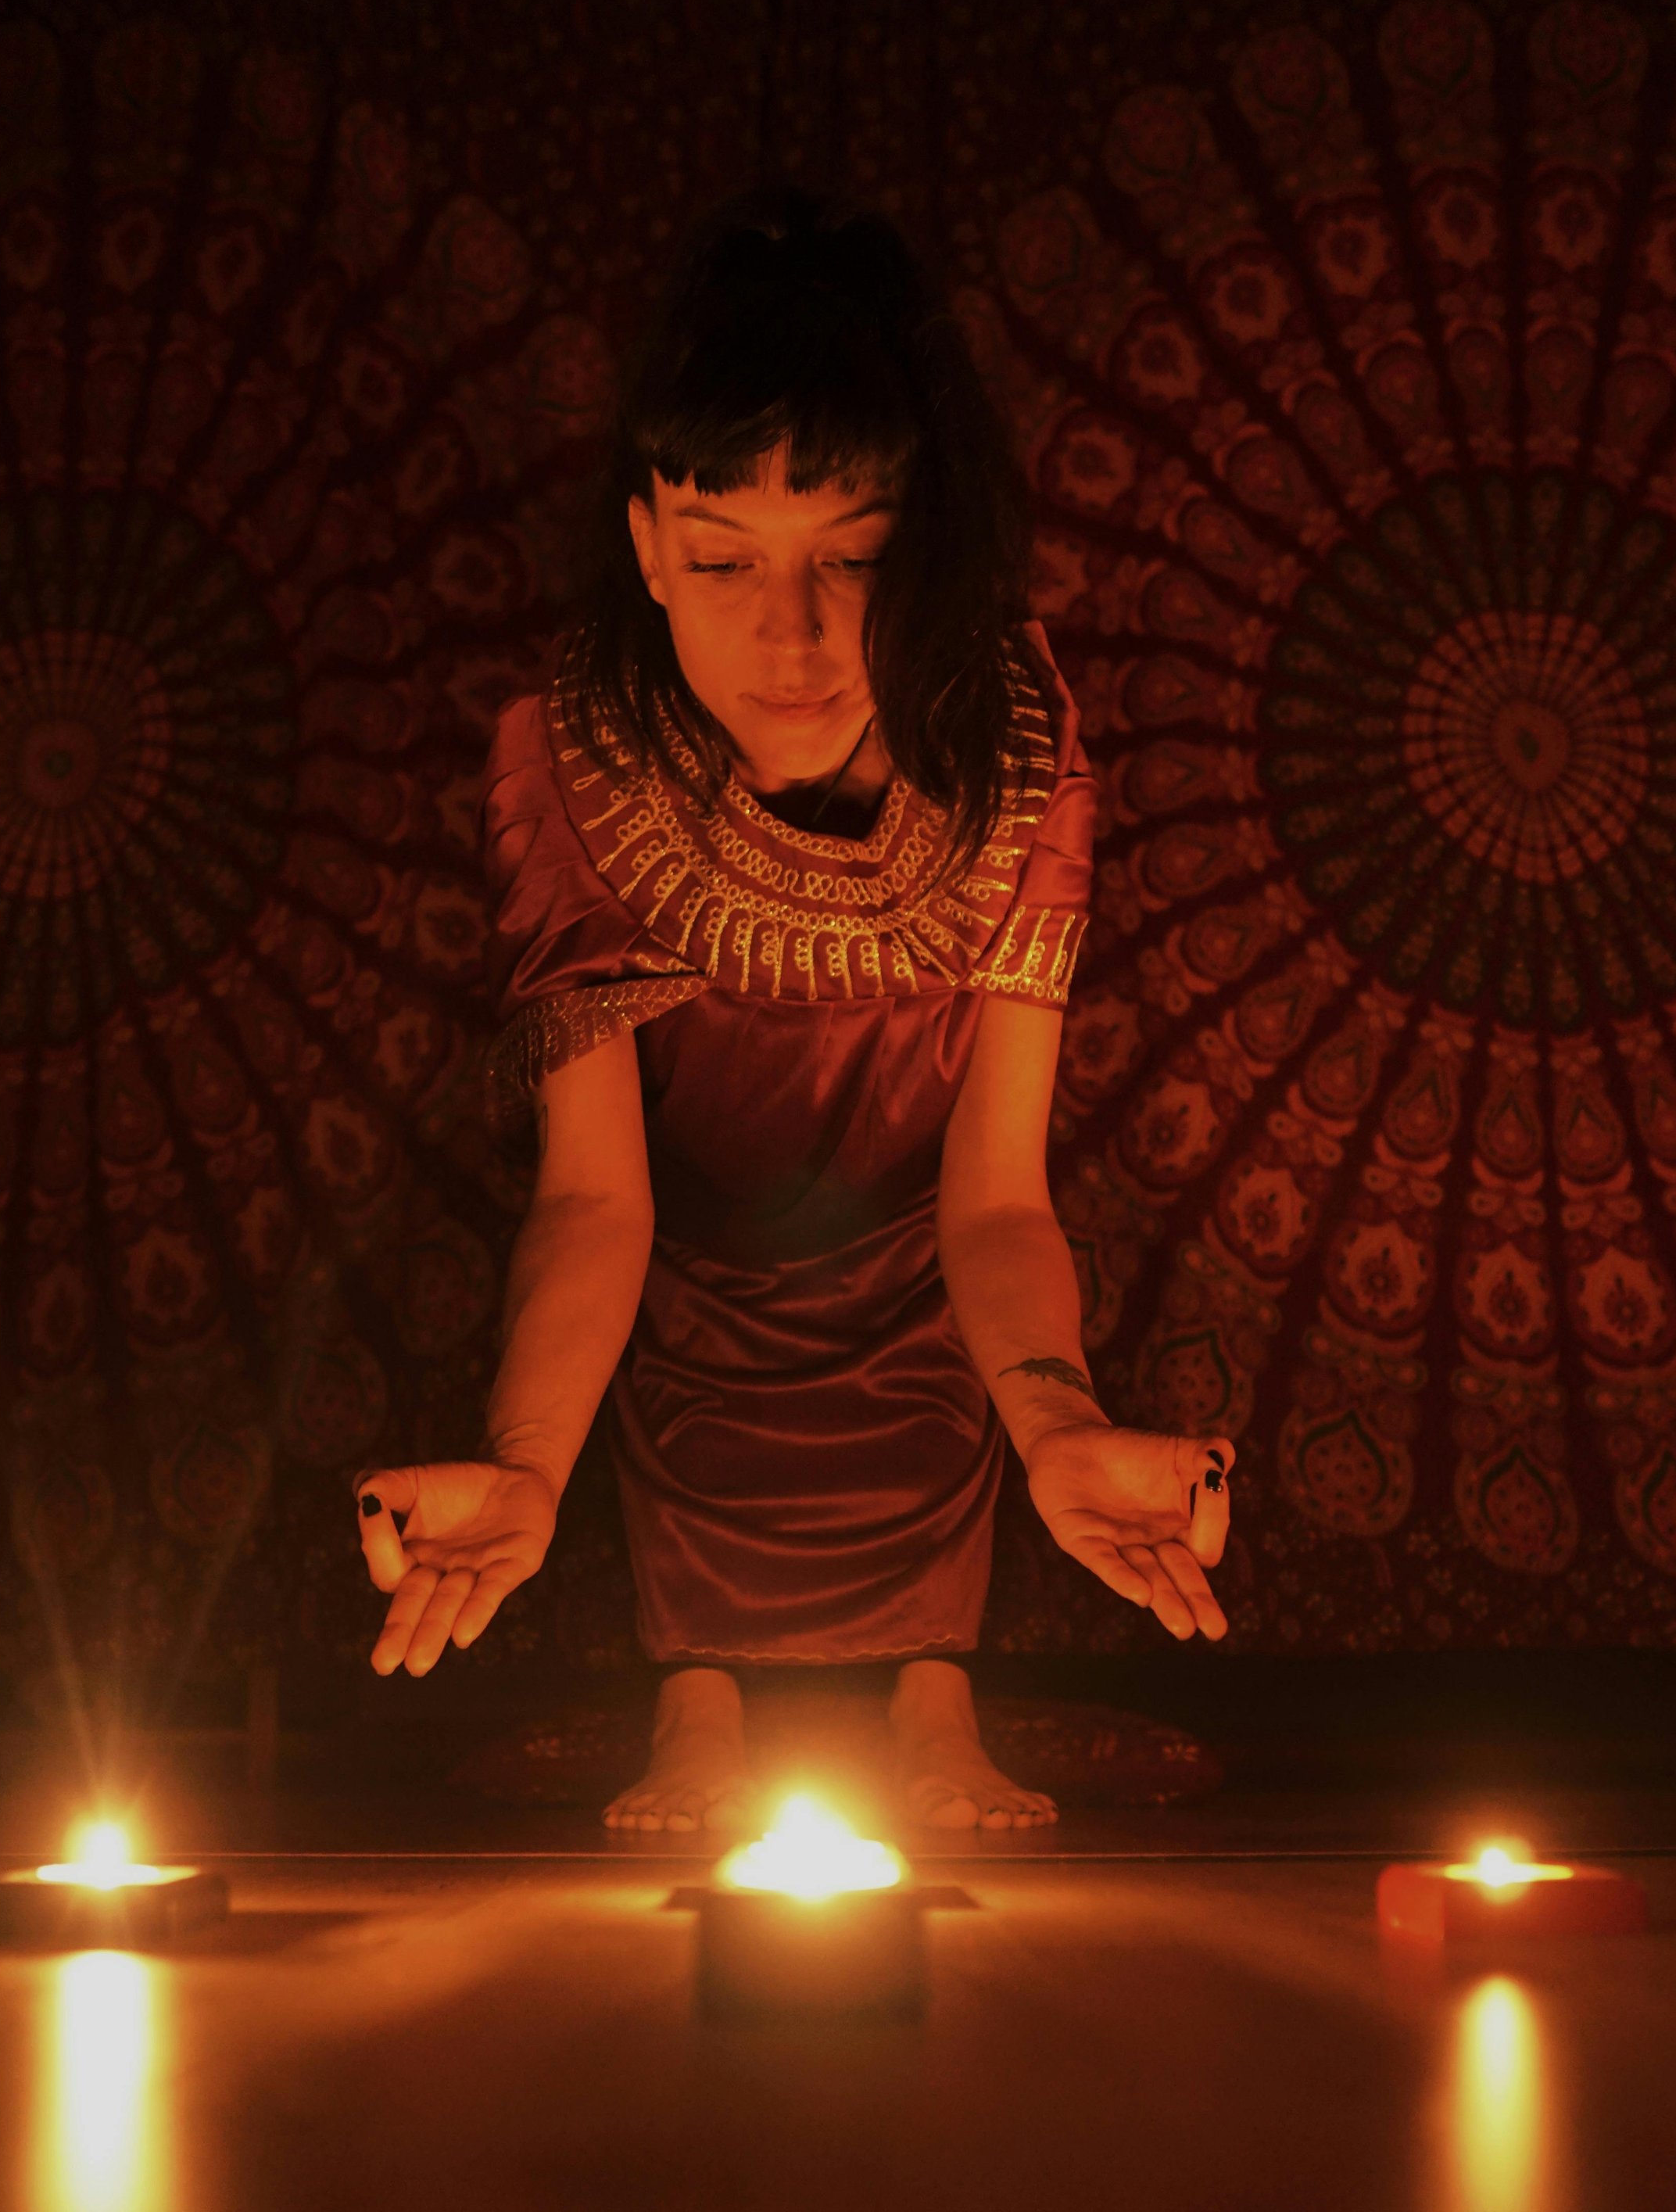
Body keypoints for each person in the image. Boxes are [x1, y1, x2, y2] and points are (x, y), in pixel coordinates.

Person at [354, 192, 1234, 1832]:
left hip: (929, 1260)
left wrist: (1055, 1423)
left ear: (932, 547)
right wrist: (526, 1467)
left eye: (853, 558)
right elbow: (596, 1196)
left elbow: (992, 1194)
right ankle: (692, 1698)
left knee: (930, 1312)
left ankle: (929, 1692)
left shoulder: (1019, 756)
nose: (790, 635)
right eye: (722, 561)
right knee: (672, 1306)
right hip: (676, 1261)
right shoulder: (570, 761)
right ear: (641, 547)